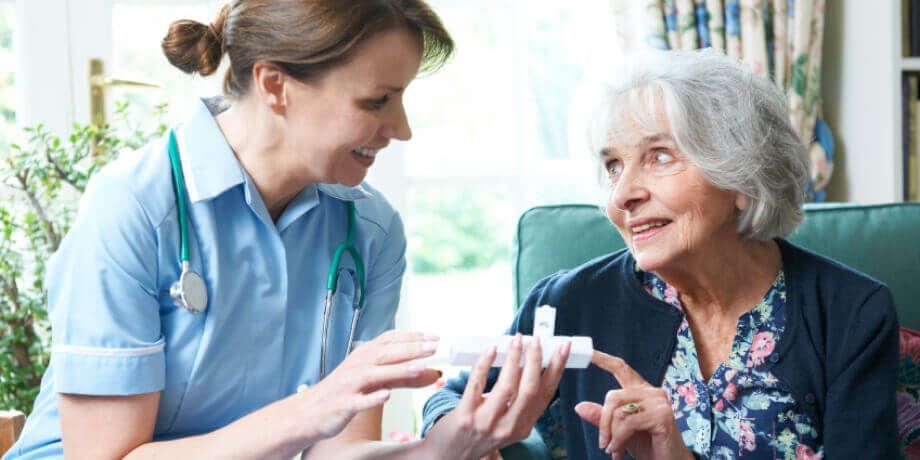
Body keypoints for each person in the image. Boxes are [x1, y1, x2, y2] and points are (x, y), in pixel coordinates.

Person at [4, 1, 457, 458]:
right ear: (275, 85)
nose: (401, 129)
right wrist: (310, 411)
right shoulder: (131, 208)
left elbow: (338, 451)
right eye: (377, 101)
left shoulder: (371, 230)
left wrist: (441, 449)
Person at [422, 49, 899, 459]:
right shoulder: (570, 303)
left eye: (660, 156)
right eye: (613, 166)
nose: (623, 194)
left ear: (741, 173)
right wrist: (469, 444)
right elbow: (452, 402)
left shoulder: (851, 314)